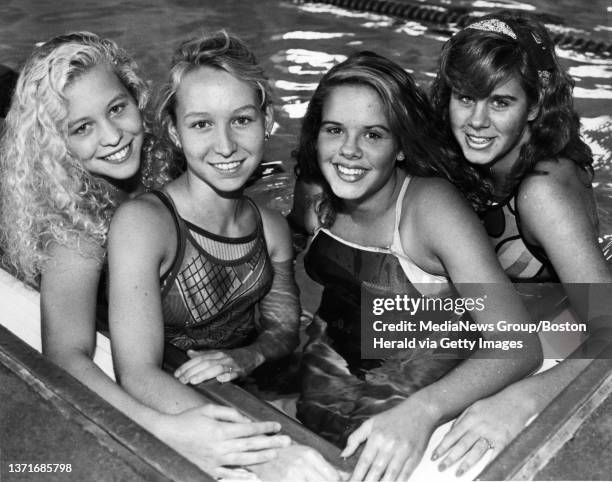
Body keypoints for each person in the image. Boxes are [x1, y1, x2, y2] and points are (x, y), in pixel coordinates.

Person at [0, 32, 292, 477]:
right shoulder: (74, 227)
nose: (114, 136)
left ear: (137, 99)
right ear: (57, 143)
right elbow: (65, 355)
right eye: (82, 127)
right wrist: (159, 428)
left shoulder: (160, 158)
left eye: (117, 109)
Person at [289, 50, 542, 481]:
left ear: (402, 145)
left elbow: (519, 344)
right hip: (335, 350)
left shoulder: (431, 209)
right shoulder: (315, 192)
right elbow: (291, 245)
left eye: (373, 135)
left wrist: (422, 412)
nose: (348, 151)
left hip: (425, 367)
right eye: (335, 130)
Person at [106, 31, 341, 482]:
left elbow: (283, 328)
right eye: (201, 124)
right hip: (187, 393)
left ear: (267, 120)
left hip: (256, 377)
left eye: (241, 120)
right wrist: (263, 452)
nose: (227, 145)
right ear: (174, 132)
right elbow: (136, 372)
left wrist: (247, 357)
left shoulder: (270, 228)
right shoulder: (146, 225)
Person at [429, 10, 612, 476]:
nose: (476, 121)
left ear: (533, 106)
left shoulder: (542, 193)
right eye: (465, 98)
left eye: (500, 103)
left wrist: (520, 400)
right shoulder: (471, 161)